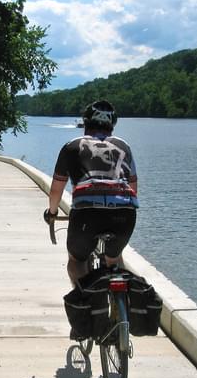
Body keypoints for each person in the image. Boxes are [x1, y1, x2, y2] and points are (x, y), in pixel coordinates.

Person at [43, 100, 139, 286]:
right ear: (112, 126)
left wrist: (52, 212)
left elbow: (56, 190)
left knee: (77, 261)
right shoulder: (124, 146)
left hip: (87, 214)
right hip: (125, 214)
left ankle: (87, 304)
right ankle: (122, 301)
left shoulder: (72, 146)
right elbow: (133, 188)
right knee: (115, 257)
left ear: (85, 124)